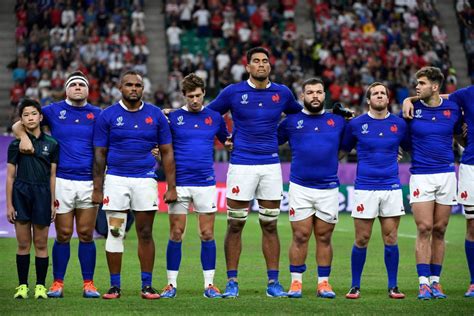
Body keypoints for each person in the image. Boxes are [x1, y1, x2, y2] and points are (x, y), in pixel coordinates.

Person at [206, 47, 302, 298]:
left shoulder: (282, 93)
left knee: (269, 224)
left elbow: (300, 117)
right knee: (235, 224)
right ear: (247, 67)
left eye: (265, 61)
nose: (261, 65)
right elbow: (210, 113)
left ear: (270, 66)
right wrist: (222, 137)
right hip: (241, 165)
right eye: (256, 61)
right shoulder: (233, 92)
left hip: (271, 166)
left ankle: (273, 283)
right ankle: (232, 282)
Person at [12, 71, 102, 298]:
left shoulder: (98, 114)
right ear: (66, 89)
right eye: (74, 84)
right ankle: (57, 283)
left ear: (88, 90)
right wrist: (23, 137)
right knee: (62, 234)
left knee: (86, 234)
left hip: (88, 181)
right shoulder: (53, 110)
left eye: (82, 84)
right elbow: (20, 122)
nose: (78, 87)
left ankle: (88, 283)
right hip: (61, 180)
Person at [92, 70, 177, 299]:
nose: (133, 89)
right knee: (116, 231)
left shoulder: (155, 115)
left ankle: (147, 285)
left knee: (146, 232)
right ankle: (114, 286)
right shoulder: (107, 115)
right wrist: (98, 188)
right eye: (128, 85)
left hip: (145, 180)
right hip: (117, 180)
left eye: (137, 85)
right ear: (121, 88)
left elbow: (167, 152)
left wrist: (171, 186)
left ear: (143, 88)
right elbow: (100, 154)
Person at [159, 73, 230, 299]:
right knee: (176, 233)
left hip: (206, 184)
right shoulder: (173, 118)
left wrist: (232, 143)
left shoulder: (214, 117)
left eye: (199, 96)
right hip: (179, 184)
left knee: (207, 233)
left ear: (204, 94)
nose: (195, 100)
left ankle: (209, 285)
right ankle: (171, 284)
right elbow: (162, 144)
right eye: (191, 96)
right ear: (184, 96)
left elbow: (226, 139)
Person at [403, 85, 474, 298]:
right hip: (470, 165)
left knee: (440, 229)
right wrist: (409, 99)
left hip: (445, 173)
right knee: (470, 225)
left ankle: (434, 281)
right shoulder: (466, 94)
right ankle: (471, 282)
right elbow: (437, 96)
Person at [277, 78, 345, 299]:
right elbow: (268, 139)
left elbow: (356, 142)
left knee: (324, 237)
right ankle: (296, 283)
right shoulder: (291, 122)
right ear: (302, 97)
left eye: (318, 92)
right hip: (300, 187)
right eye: (310, 92)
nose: (314, 96)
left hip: (328, 188)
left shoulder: (338, 121)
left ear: (324, 95)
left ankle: (323, 283)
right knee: (300, 235)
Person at [341, 82, 409, 299]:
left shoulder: (399, 124)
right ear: (368, 100)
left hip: (391, 187)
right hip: (364, 188)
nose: (379, 96)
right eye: (375, 93)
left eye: (383, 93)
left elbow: (412, 146)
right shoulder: (356, 124)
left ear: (388, 99)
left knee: (391, 237)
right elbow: (341, 150)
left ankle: (393, 286)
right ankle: (354, 285)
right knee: (362, 238)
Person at [7, 98, 59, 299]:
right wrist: (10, 204)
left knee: (41, 243)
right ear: (21, 119)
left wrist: (53, 202)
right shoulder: (15, 144)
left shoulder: (52, 144)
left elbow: (53, 176)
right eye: (26, 115)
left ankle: (39, 286)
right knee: (22, 244)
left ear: (41, 116)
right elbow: (10, 177)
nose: (30, 118)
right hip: (21, 194)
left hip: (43, 195)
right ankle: (22, 286)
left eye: (33, 114)